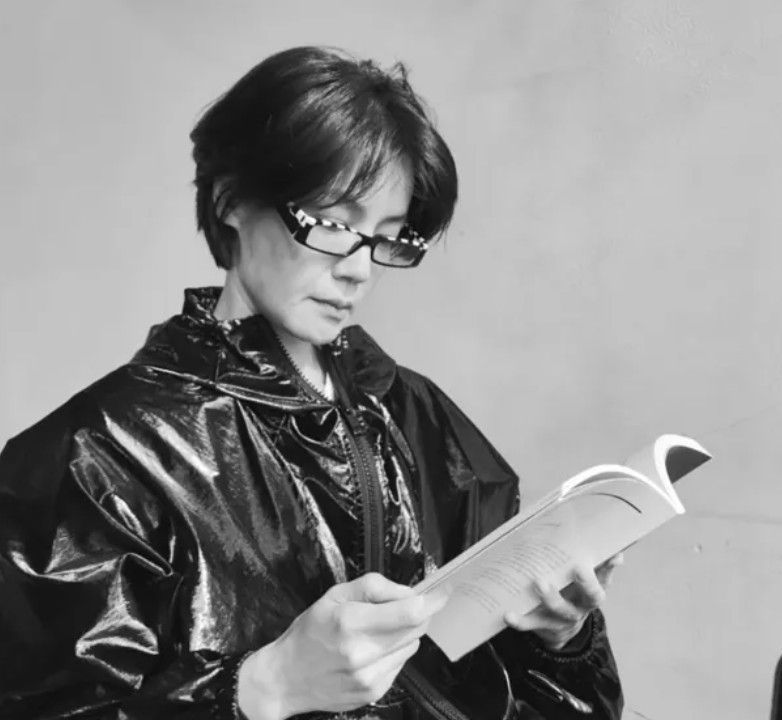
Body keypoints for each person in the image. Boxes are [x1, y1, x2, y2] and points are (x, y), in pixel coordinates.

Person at [0, 46, 623, 719]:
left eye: (387, 237)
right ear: (232, 201)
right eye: (334, 225)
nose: (360, 269)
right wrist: (263, 688)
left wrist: (562, 640)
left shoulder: (417, 413)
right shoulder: (97, 454)